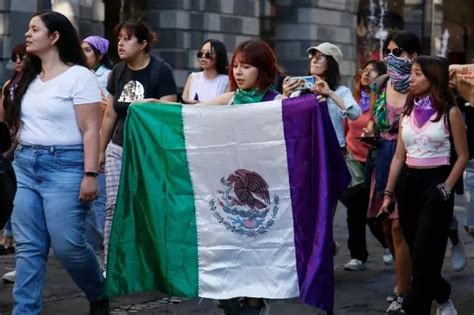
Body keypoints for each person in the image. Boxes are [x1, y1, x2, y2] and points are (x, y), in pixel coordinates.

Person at [4, 11, 107, 314]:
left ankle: (98, 292)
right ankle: (25, 311)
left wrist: (90, 173)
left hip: (66, 166)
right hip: (25, 164)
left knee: (67, 245)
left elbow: (91, 129)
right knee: (29, 247)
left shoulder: (80, 76)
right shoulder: (28, 78)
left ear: (54, 37)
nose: (27, 34)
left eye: (34, 29)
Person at [380, 56, 468, 315]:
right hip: (409, 185)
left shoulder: (450, 113)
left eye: (418, 74)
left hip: (437, 185)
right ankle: (443, 296)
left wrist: (447, 187)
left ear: (433, 78)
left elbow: (463, 156)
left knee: (423, 256)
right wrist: (388, 193)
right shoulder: (408, 111)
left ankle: (412, 307)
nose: (411, 78)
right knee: (419, 255)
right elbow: (398, 156)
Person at [100, 20, 178, 272]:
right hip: (118, 147)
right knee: (113, 205)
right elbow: (111, 114)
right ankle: (111, 264)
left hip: (148, 153)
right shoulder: (118, 71)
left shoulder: (160, 70)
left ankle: (151, 265)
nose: (120, 43)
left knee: (147, 206)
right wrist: (99, 151)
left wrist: (150, 104)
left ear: (143, 44)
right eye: (119, 38)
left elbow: (169, 113)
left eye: (127, 38)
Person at [362, 31, 420, 313]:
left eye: (397, 52)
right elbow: (374, 118)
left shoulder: (421, 86)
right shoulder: (381, 84)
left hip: (411, 159)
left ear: (413, 56)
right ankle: (405, 276)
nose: (390, 57)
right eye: (388, 51)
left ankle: (404, 289)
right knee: (386, 226)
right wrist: (370, 129)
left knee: (400, 226)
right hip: (383, 157)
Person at [342, 60, 393, 271]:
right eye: (364, 70)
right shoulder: (353, 100)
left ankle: (389, 244)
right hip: (353, 159)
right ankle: (358, 255)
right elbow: (346, 126)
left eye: (371, 71)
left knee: (374, 212)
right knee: (355, 208)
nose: (366, 74)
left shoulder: (383, 101)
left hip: (375, 159)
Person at [81, 35, 112, 270]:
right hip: (82, 141)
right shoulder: (79, 74)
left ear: (99, 54)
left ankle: (103, 256)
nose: (84, 55)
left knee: (99, 201)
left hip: (102, 140)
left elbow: (108, 109)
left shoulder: (108, 76)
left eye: (88, 51)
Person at [0, 44, 27, 258]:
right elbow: (2, 116)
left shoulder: (33, 84)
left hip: (25, 141)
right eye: (15, 57)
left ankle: (13, 238)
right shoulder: (9, 85)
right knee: (8, 190)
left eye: (22, 57)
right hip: (8, 142)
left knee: (18, 194)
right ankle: (7, 235)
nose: (18, 61)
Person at [181, 39, 229, 104]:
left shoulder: (226, 81)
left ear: (219, 56)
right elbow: (183, 103)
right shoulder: (193, 77)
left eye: (208, 54)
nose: (203, 56)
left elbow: (226, 108)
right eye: (200, 53)